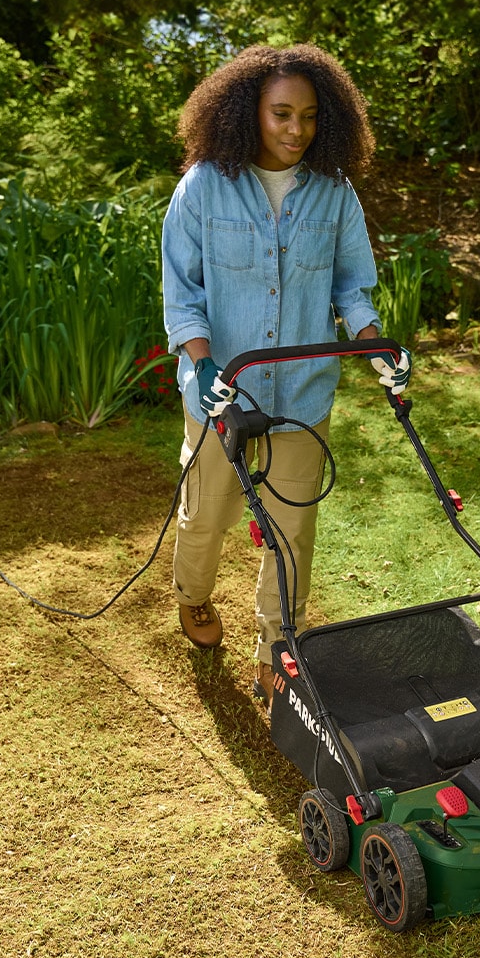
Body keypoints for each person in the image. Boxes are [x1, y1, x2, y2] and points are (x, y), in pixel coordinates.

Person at [160, 43, 411, 705]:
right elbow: (183, 296)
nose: (296, 129)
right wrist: (203, 364)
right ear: (249, 112)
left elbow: (352, 288)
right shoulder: (203, 188)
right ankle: (192, 593)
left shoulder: (334, 193)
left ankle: (279, 649)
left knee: (292, 530)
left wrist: (375, 345)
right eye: (281, 114)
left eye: (309, 115)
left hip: (302, 391)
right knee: (206, 514)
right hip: (220, 395)